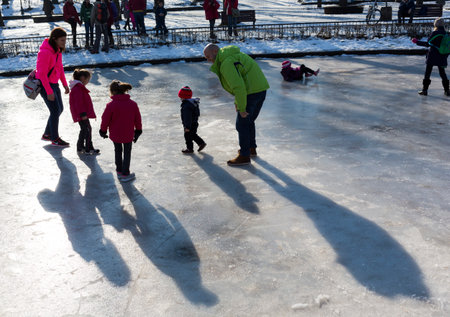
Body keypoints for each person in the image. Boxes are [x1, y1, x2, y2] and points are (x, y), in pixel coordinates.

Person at [203, 44, 270, 166]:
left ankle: (244, 155)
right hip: (260, 89)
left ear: (214, 51)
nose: (207, 59)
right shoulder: (233, 56)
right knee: (249, 121)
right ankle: (251, 148)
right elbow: (242, 79)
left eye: (208, 56)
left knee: (242, 124)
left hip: (251, 92)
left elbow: (239, 87)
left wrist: (242, 107)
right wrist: (237, 102)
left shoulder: (226, 63)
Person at [99, 80, 142, 182]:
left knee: (118, 151)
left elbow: (105, 119)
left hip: (115, 134)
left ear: (112, 91)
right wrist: (138, 130)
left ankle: (119, 170)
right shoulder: (133, 104)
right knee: (127, 152)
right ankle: (125, 173)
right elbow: (138, 119)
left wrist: (103, 130)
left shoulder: (111, 105)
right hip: (128, 134)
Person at [36, 27, 70, 147]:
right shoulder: (45, 53)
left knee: (59, 109)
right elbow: (41, 74)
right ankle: (54, 138)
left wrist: (65, 84)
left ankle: (47, 134)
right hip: (46, 86)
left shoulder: (57, 51)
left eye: (65, 40)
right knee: (55, 111)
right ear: (54, 39)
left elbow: (60, 69)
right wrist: (49, 91)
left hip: (55, 84)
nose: (64, 43)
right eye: (62, 40)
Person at [412, 18, 449, 96]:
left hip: (433, 55)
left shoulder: (435, 33)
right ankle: (447, 90)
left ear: (435, 25)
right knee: (442, 73)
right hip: (442, 56)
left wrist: (417, 42)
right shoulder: (446, 34)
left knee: (428, 73)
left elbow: (428, 43)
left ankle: (424, 90)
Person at [69, 69, 100, 155]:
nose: (88, 81)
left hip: (81, 113)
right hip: (82, 114)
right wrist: (83, 114)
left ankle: (80, 147)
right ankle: (88, 148)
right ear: (82, 78)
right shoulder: (78, 88)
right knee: (87, 129)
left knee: (84, 129)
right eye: (88, 79)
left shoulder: (78, 87)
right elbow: (79, 103)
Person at [179, 86, 207, 154]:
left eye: (181, 97)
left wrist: (187, 126)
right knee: (193, 134)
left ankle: (189, 149)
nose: (180, 98)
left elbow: (187, 117)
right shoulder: (193, 103)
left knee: (188, 136)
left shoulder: (186, 106)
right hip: (194, 123)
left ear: (184, 97)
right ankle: (201, 143)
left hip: (189, 124)